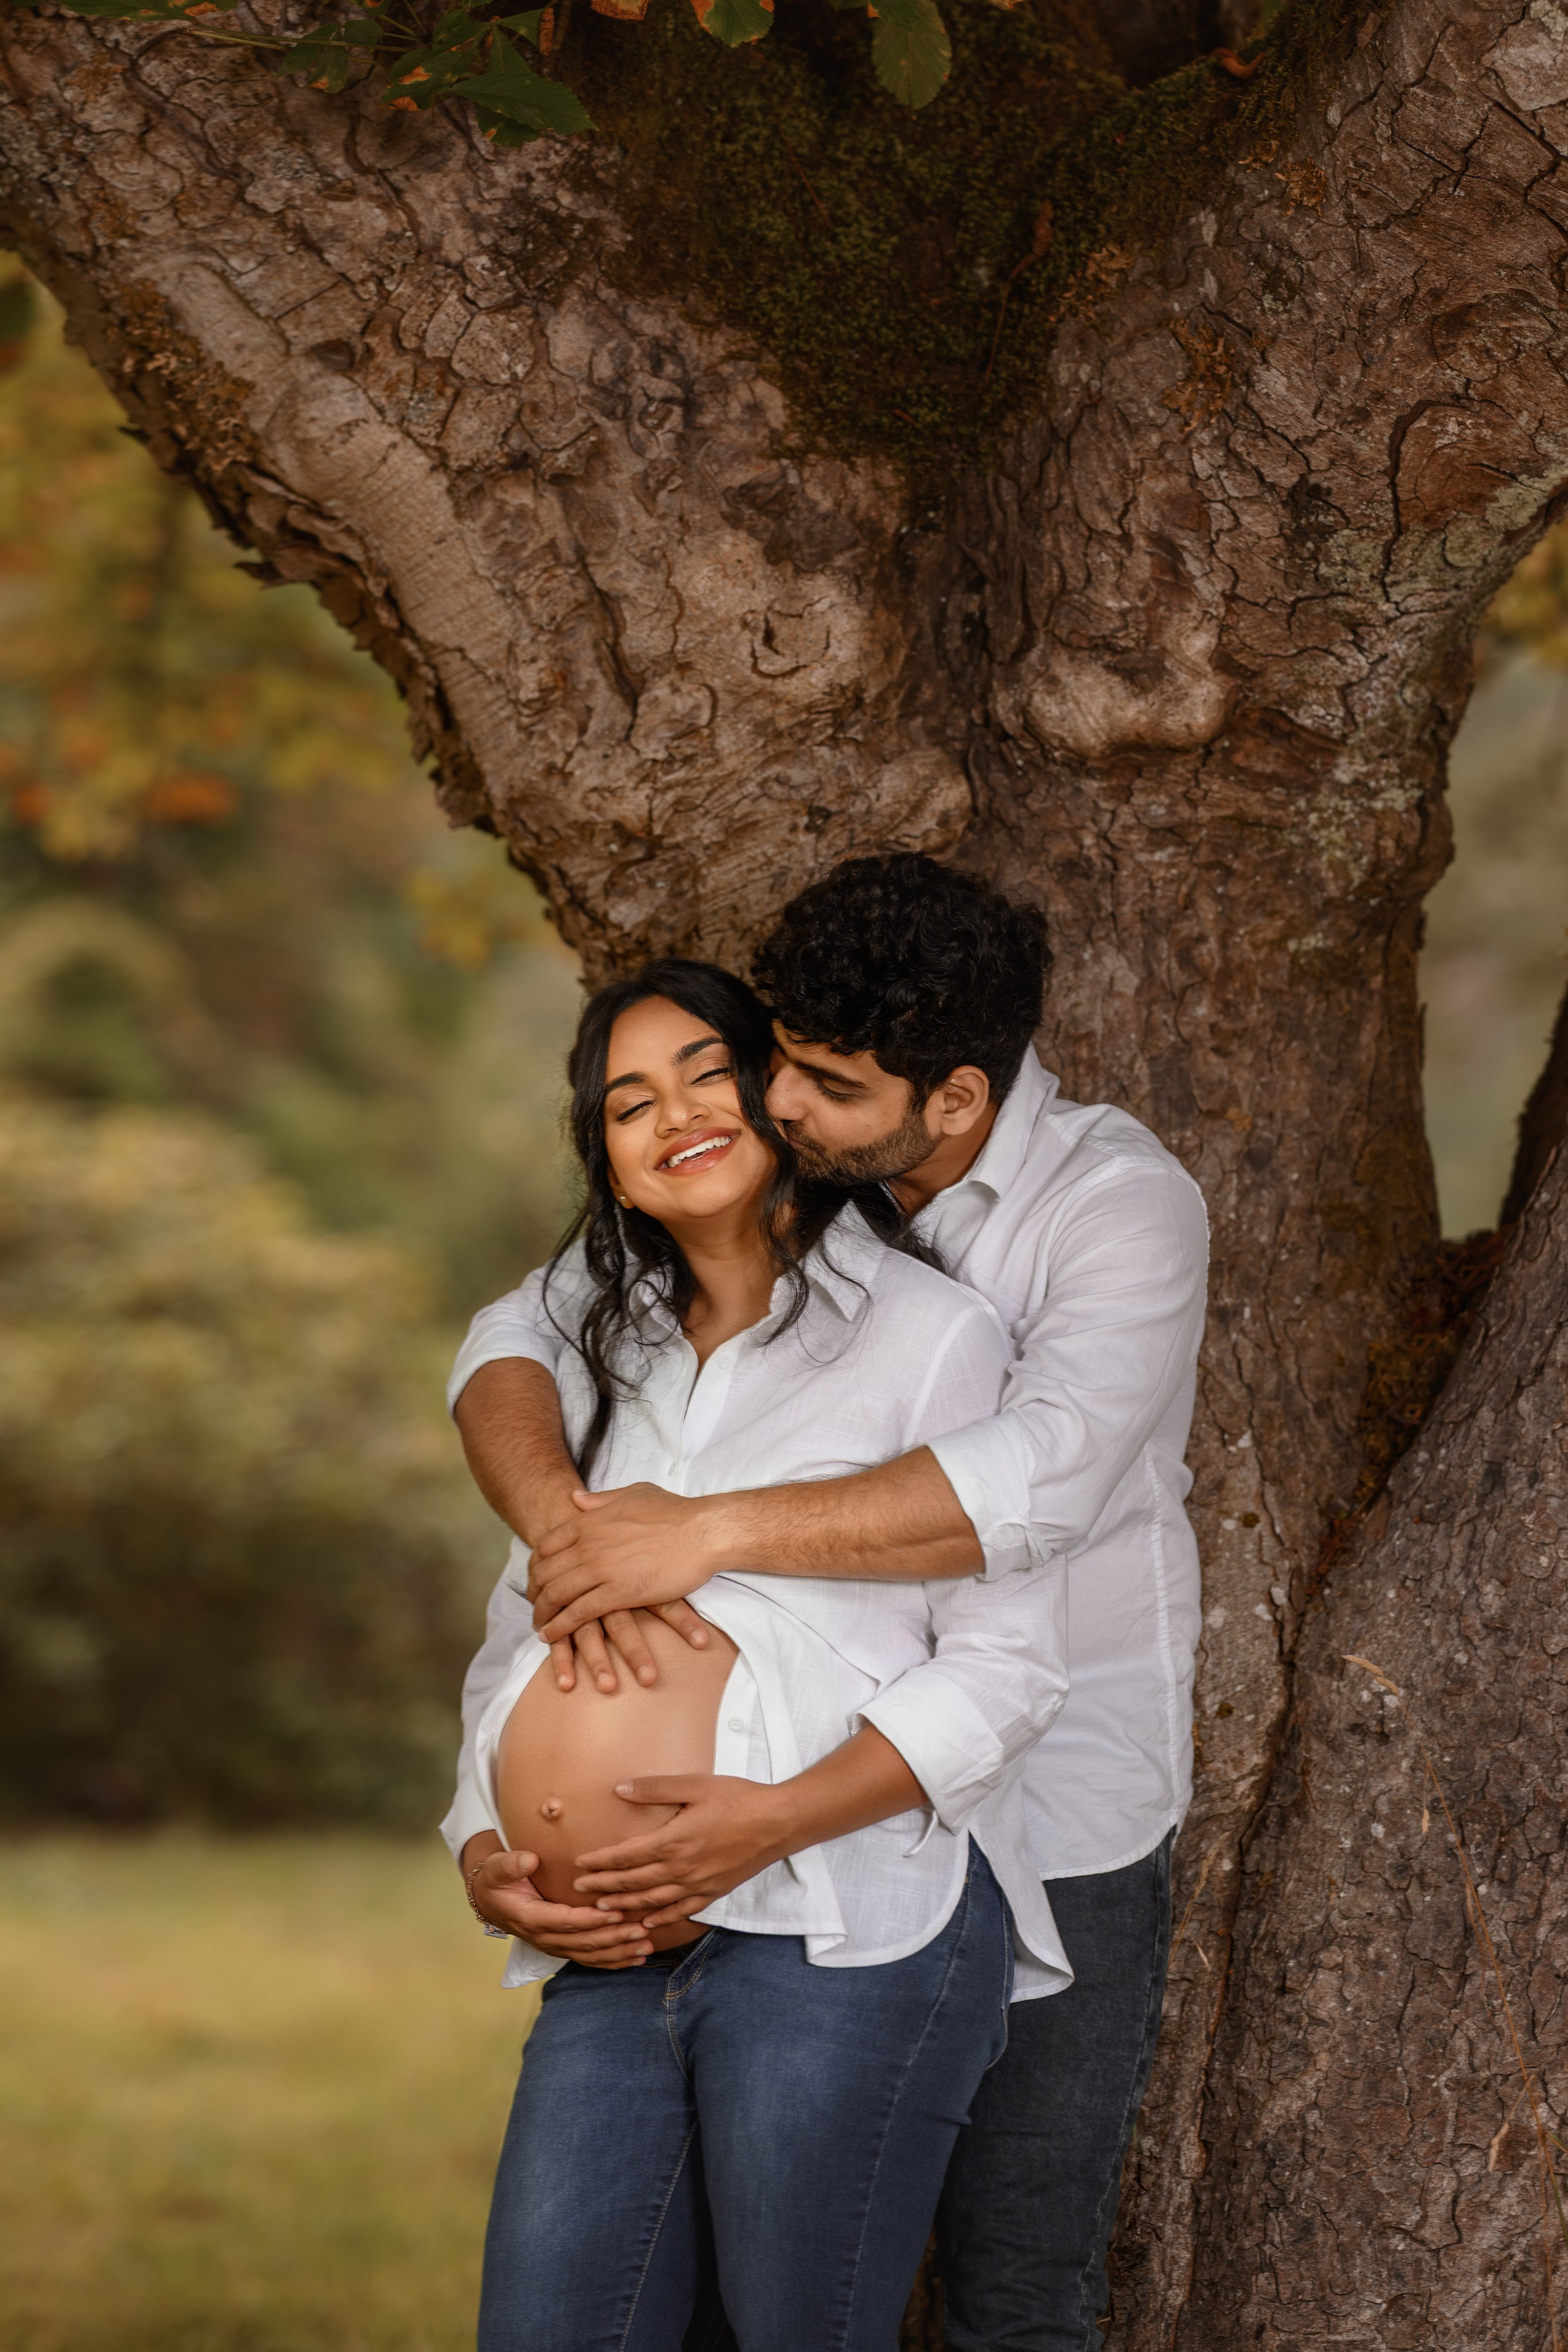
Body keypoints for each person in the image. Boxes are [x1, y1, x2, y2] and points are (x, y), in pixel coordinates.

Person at [452, 856, 1210, 2352]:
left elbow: (1033, 1492)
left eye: (815, 1083)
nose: (775, 1106)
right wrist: (558, 1555)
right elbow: (505, 1348)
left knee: (1010, 2281)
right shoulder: (639, 1320)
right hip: (665, 1922)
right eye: (772, 1063)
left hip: (1038, 1808)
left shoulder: (1080, 1231)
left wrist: (704, 1539)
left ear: (954, 1104)